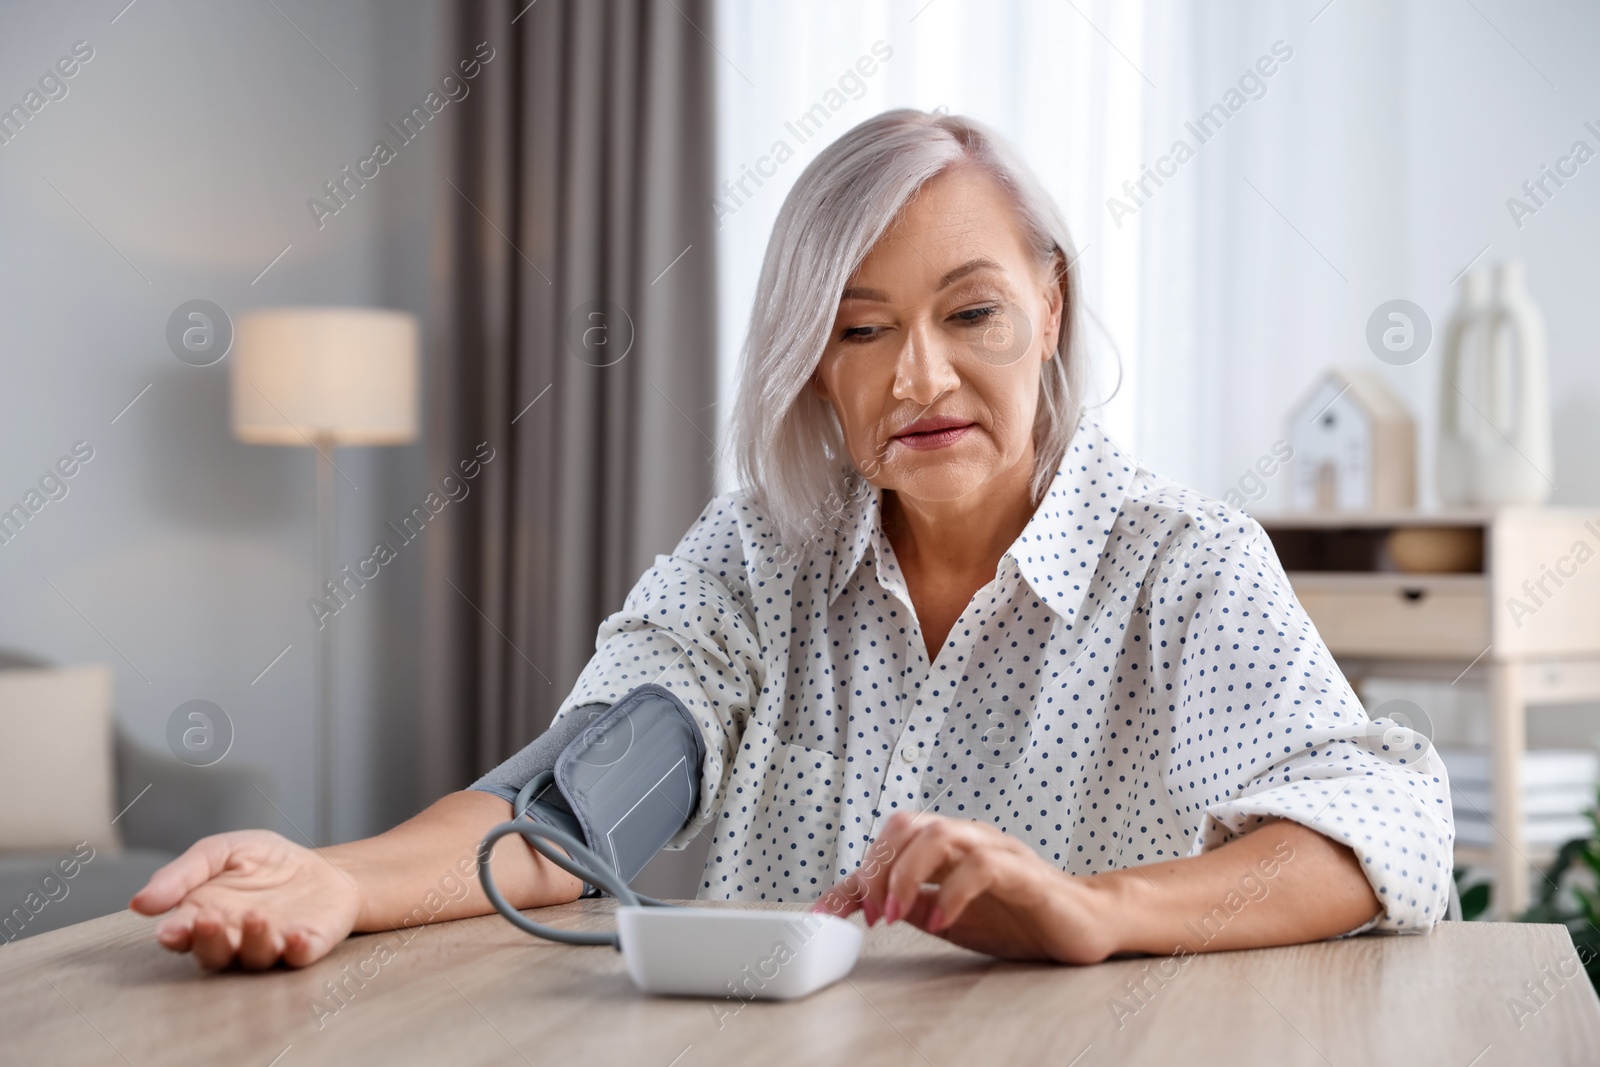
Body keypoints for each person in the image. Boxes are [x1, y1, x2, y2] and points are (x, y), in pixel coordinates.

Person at [131, 109, 1453, 971]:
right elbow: (568, 815)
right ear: (813, 363)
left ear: (1049, 304)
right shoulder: (764, 555)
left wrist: (1095, 911)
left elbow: (1366, 827)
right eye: (861, 329)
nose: (919, 378)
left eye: (972, 312)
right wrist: (335, 878)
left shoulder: (1183, 563)